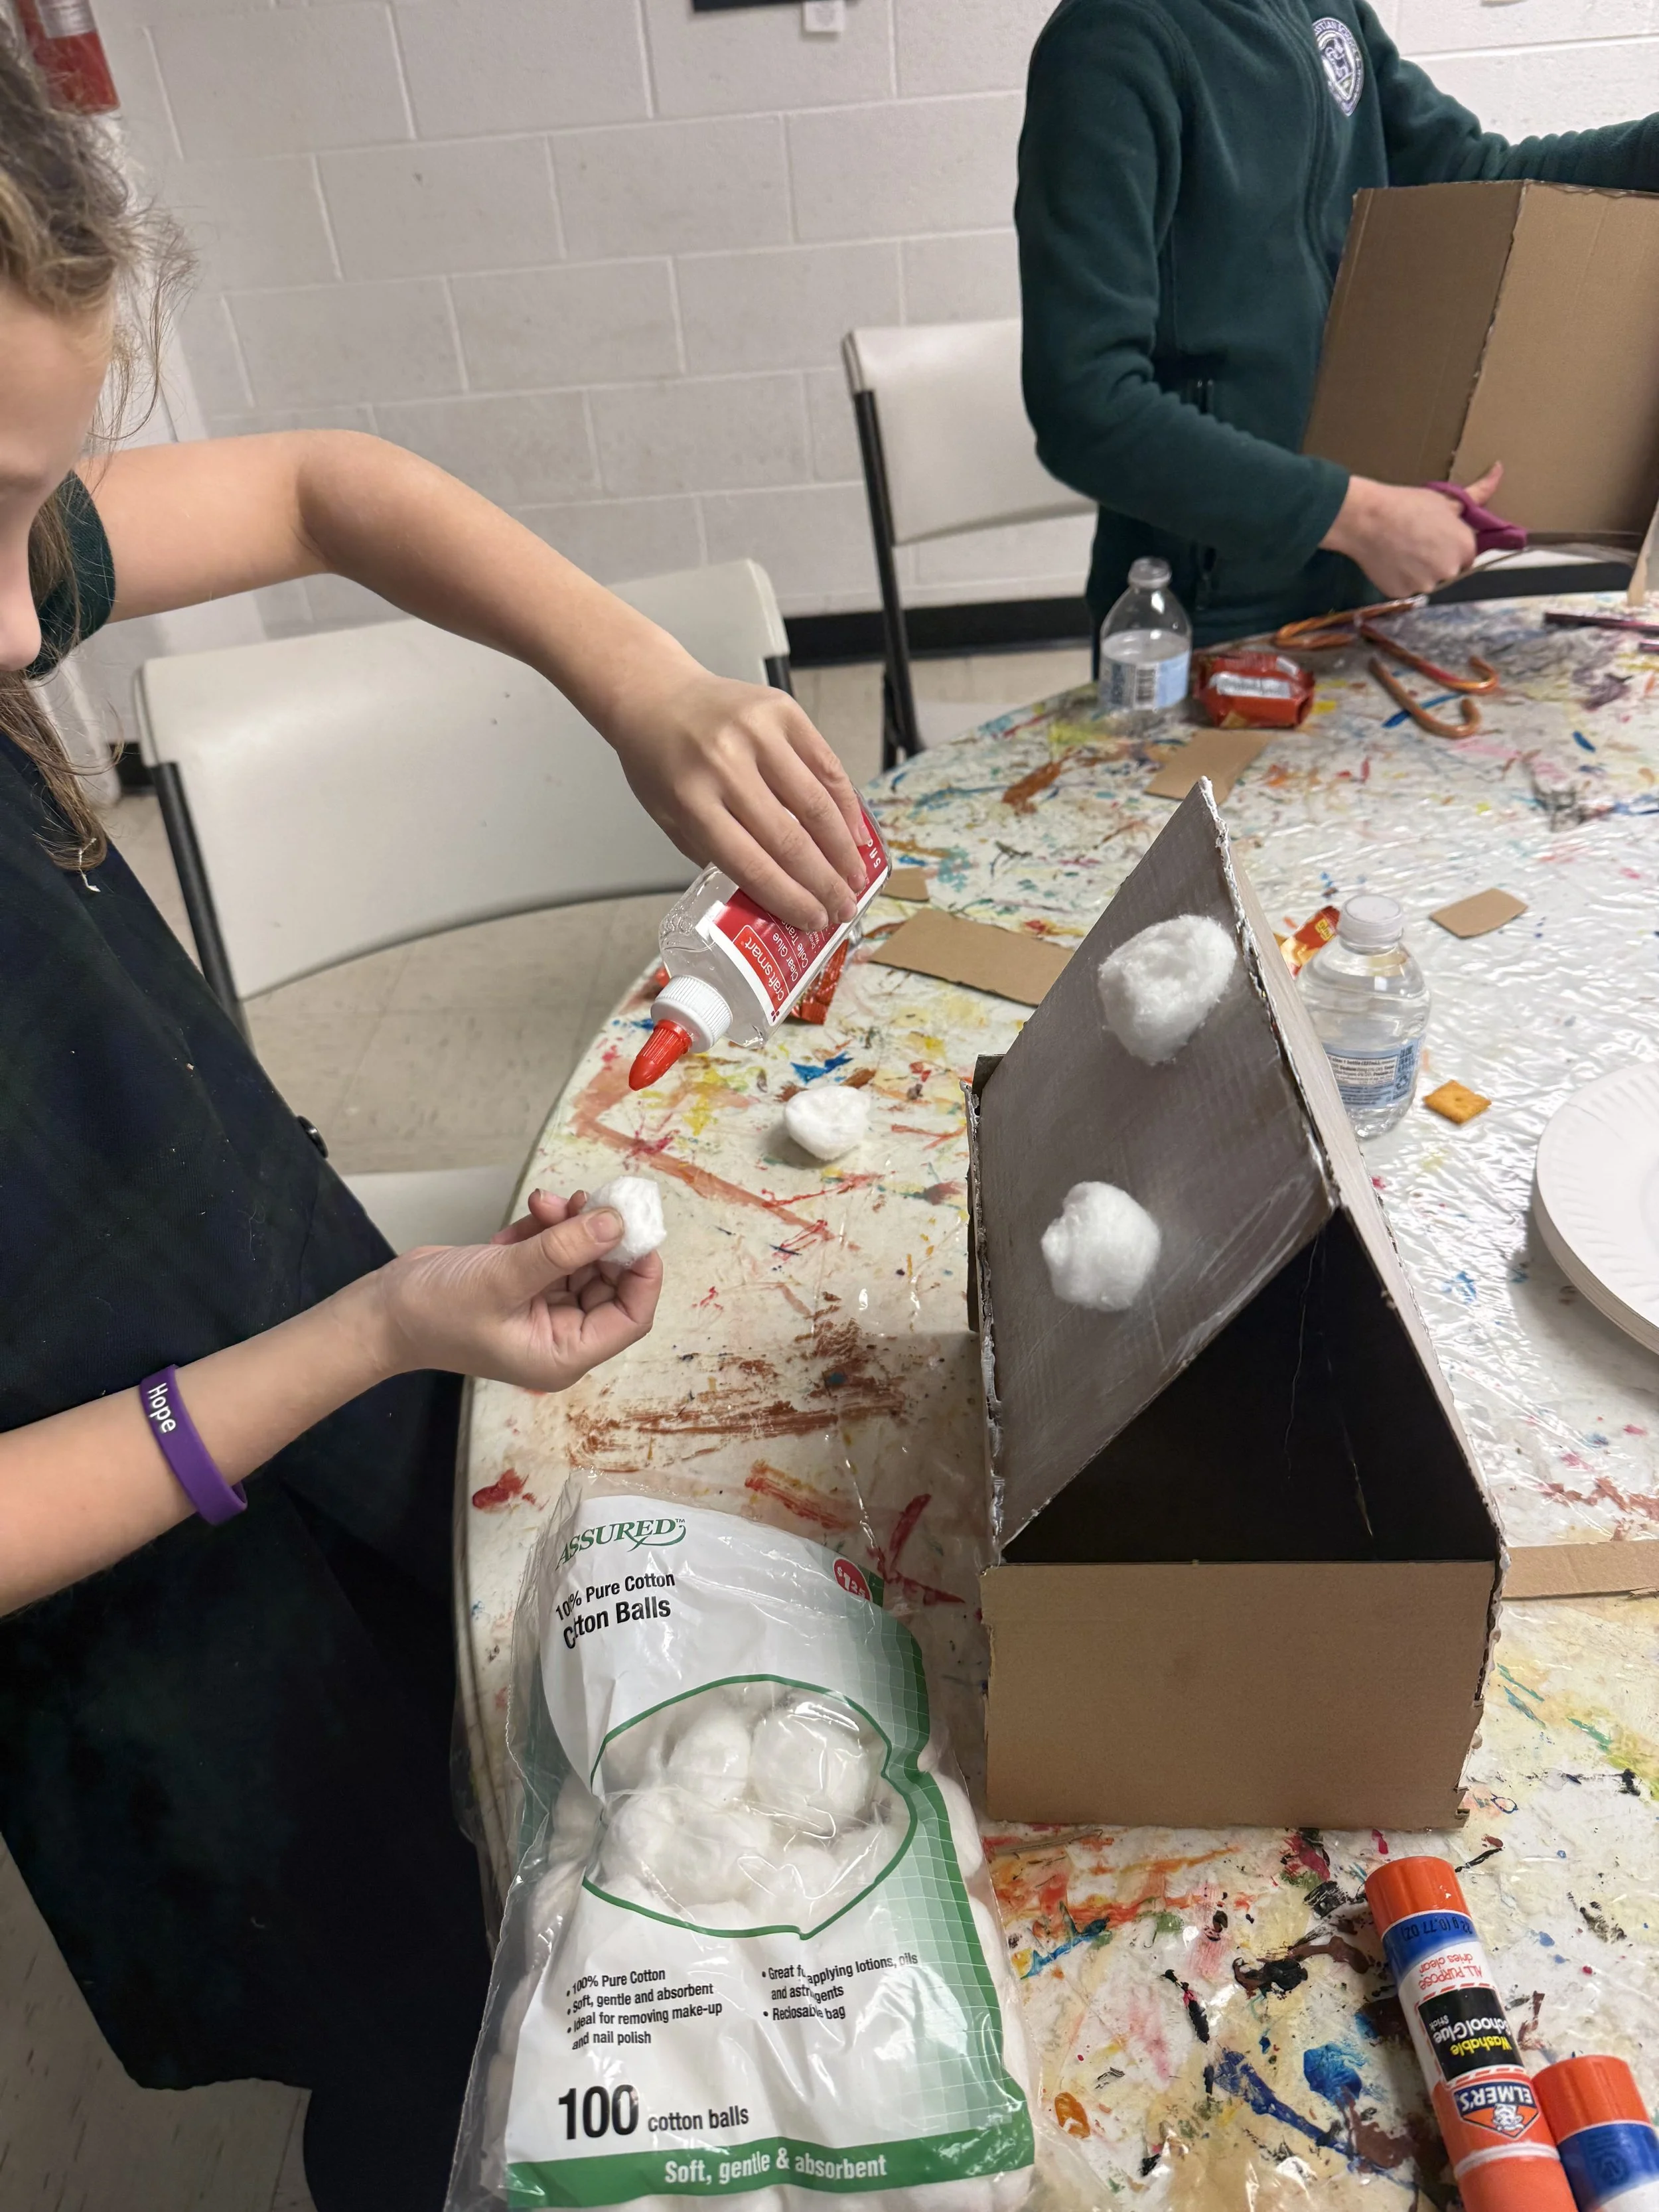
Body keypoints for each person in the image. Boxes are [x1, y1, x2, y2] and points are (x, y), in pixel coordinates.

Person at [0, 29, 867, 2210]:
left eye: (35, 504)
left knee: (538, 1801)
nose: (32, 617)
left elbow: (319, 486)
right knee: (418, 2026)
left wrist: (637, 677)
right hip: (155, 1623)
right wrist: (368, 1342)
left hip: (309, 1328)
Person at [1017, 0, 1659, 645]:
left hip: (1361, 587)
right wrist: (1363, 517)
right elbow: (1085, 405)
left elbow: (1472, 175)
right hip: (1205, 615)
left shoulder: (1323, 8)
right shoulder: (1109, 40)